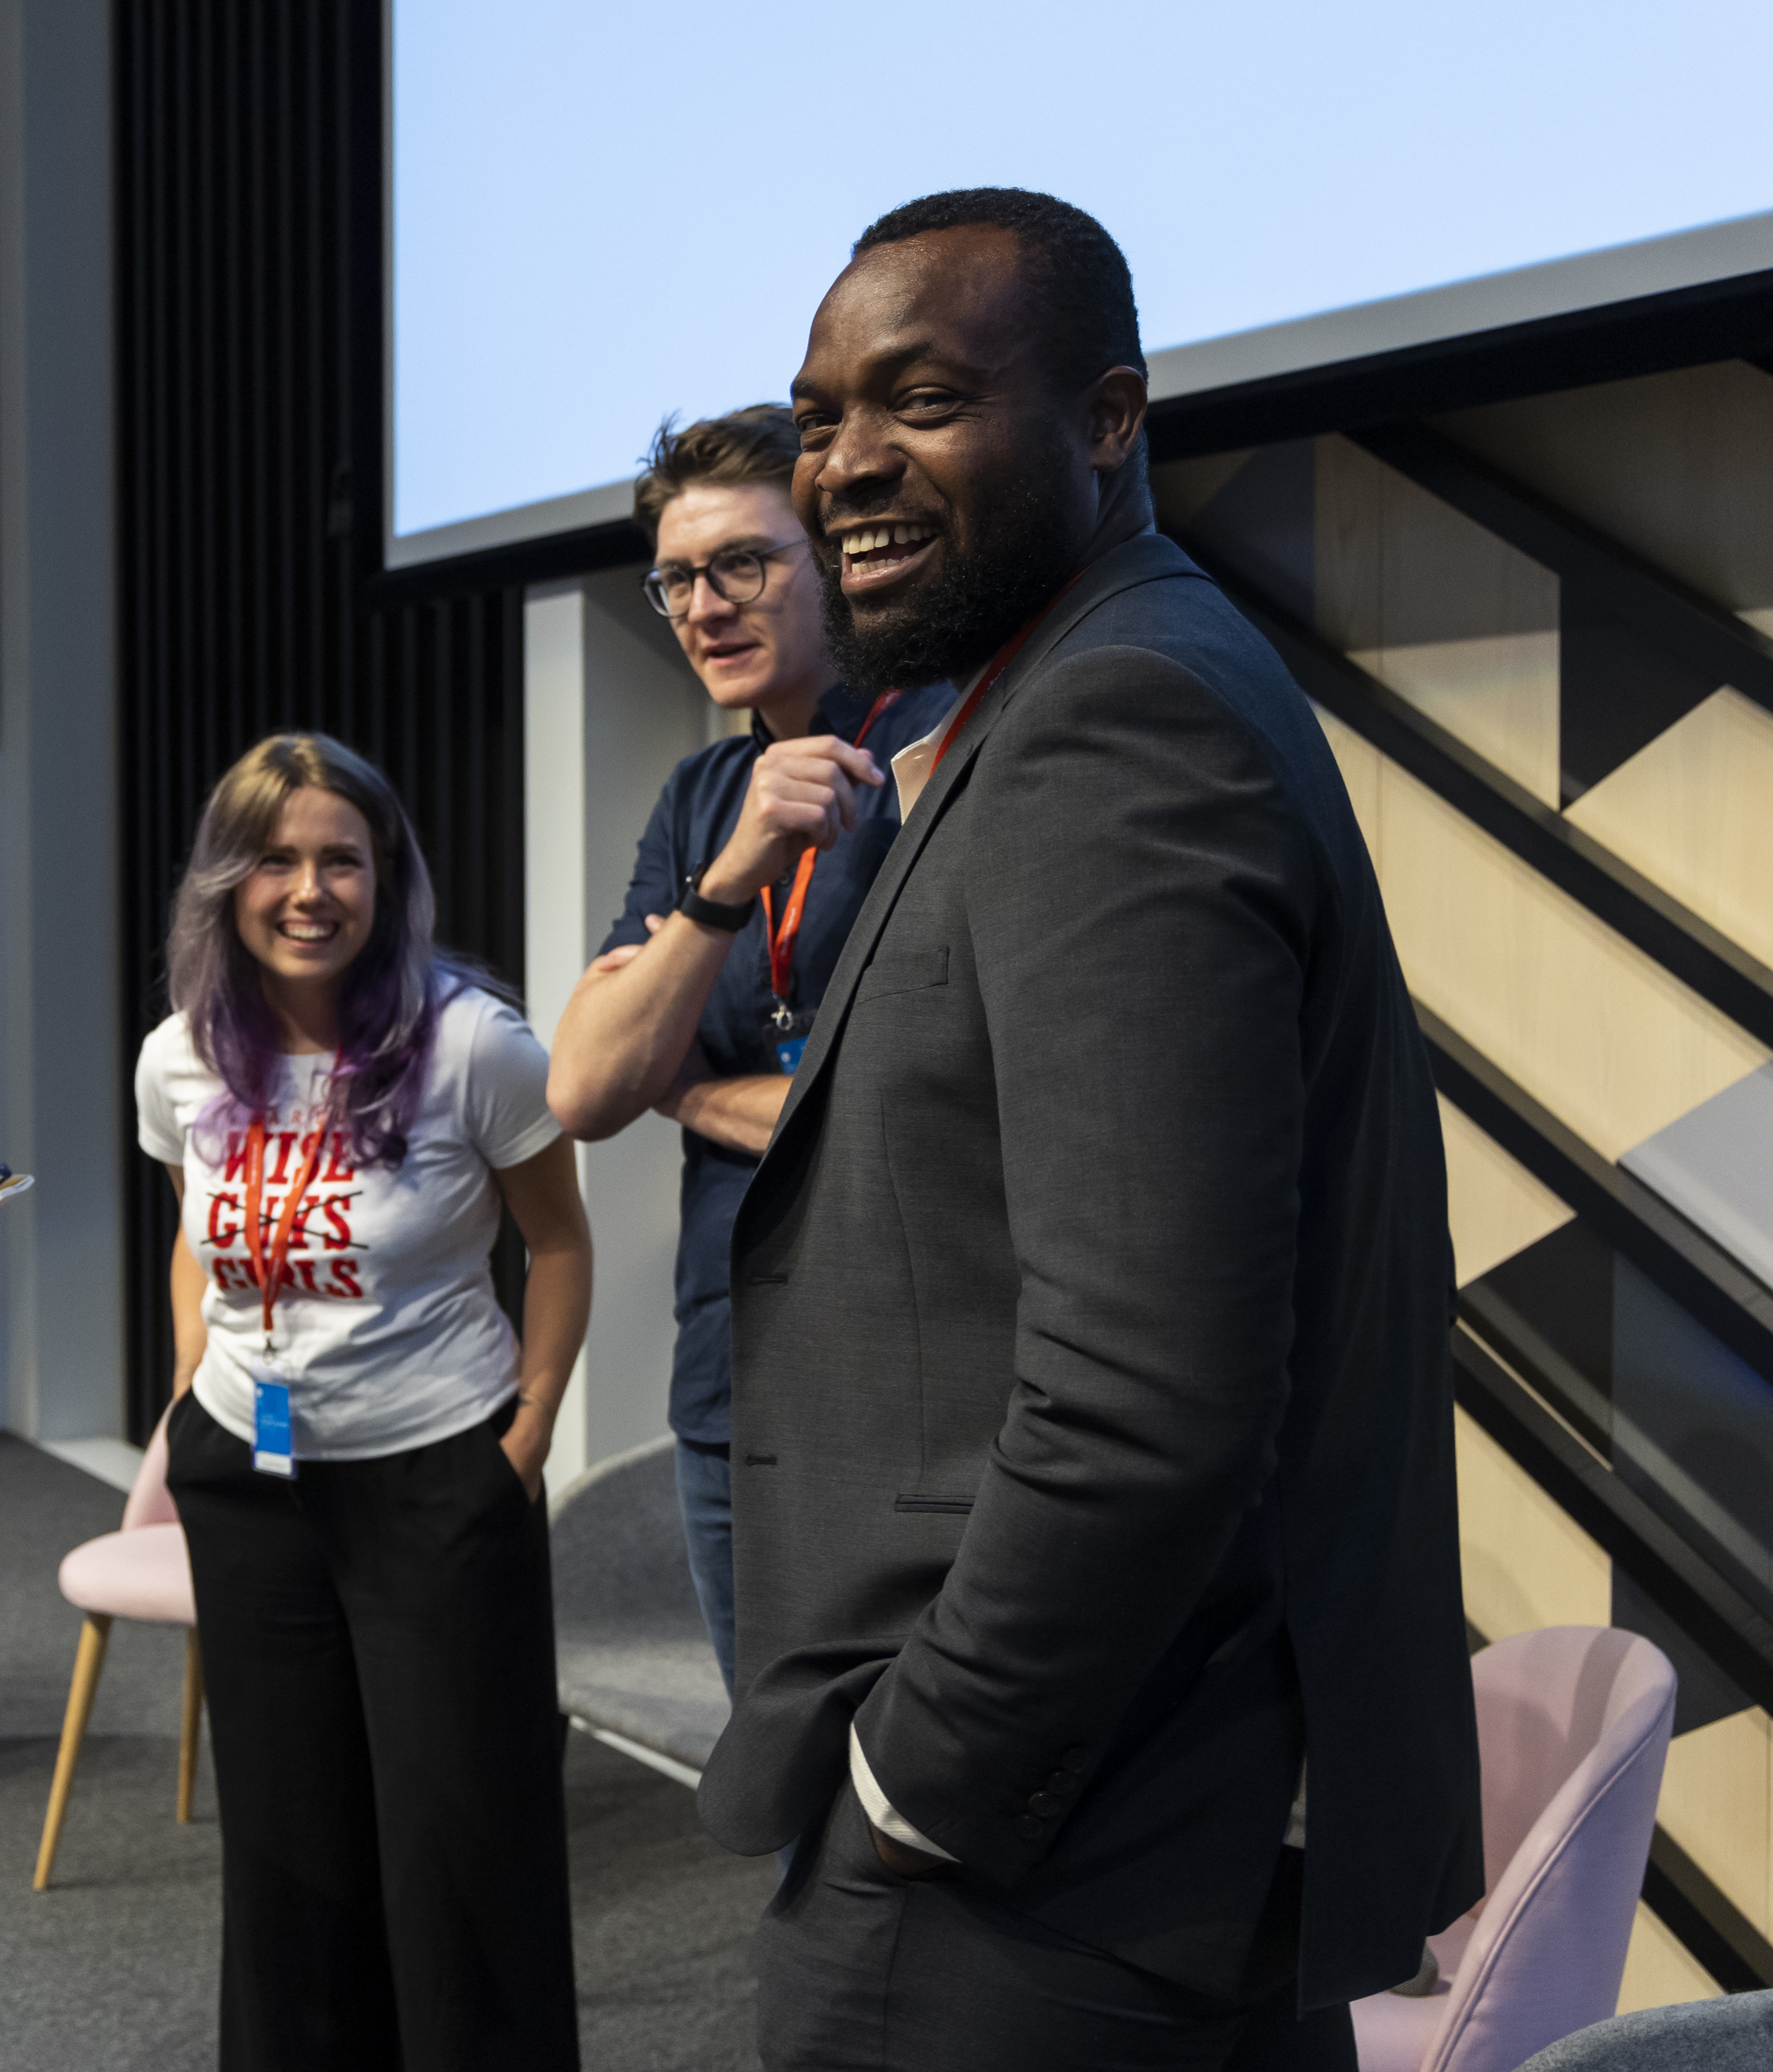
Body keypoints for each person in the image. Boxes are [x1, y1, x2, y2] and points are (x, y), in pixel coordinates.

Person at [695, 190, 1485, 2069]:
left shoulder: (1113, 717)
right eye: (817, 415)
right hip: (1130, 1844)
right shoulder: (1099, 679)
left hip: (1044, 1867)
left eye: (922, 398)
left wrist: (921, 1779)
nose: (846, 466)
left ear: (1110, 421)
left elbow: (1142, 1398)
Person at [141, 733, 588, 2071]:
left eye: (342, 857)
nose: (308, 889)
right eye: (274, 858)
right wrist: (189, 1393)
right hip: (256, 1482)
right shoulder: (181, 1056)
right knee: (288, 1852)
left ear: (388, 877)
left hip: (437, 1481)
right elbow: (195, 1237)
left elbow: (557, 1244)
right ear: (226, 881)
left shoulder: (472, 1044)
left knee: (460, 1849)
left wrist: (528, 1432)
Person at [546, 406, 953, 1692]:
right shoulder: (701, 800)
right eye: (676, 578)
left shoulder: (942, 750)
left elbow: (932, 1109)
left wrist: (693, 1082)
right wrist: (731, 877)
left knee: (918, 1818)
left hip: (918, 1391)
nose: (702, 606)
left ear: (832, 555)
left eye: (744, 564)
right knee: (780, 1800)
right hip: (731, 1389)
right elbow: (588, 1085)